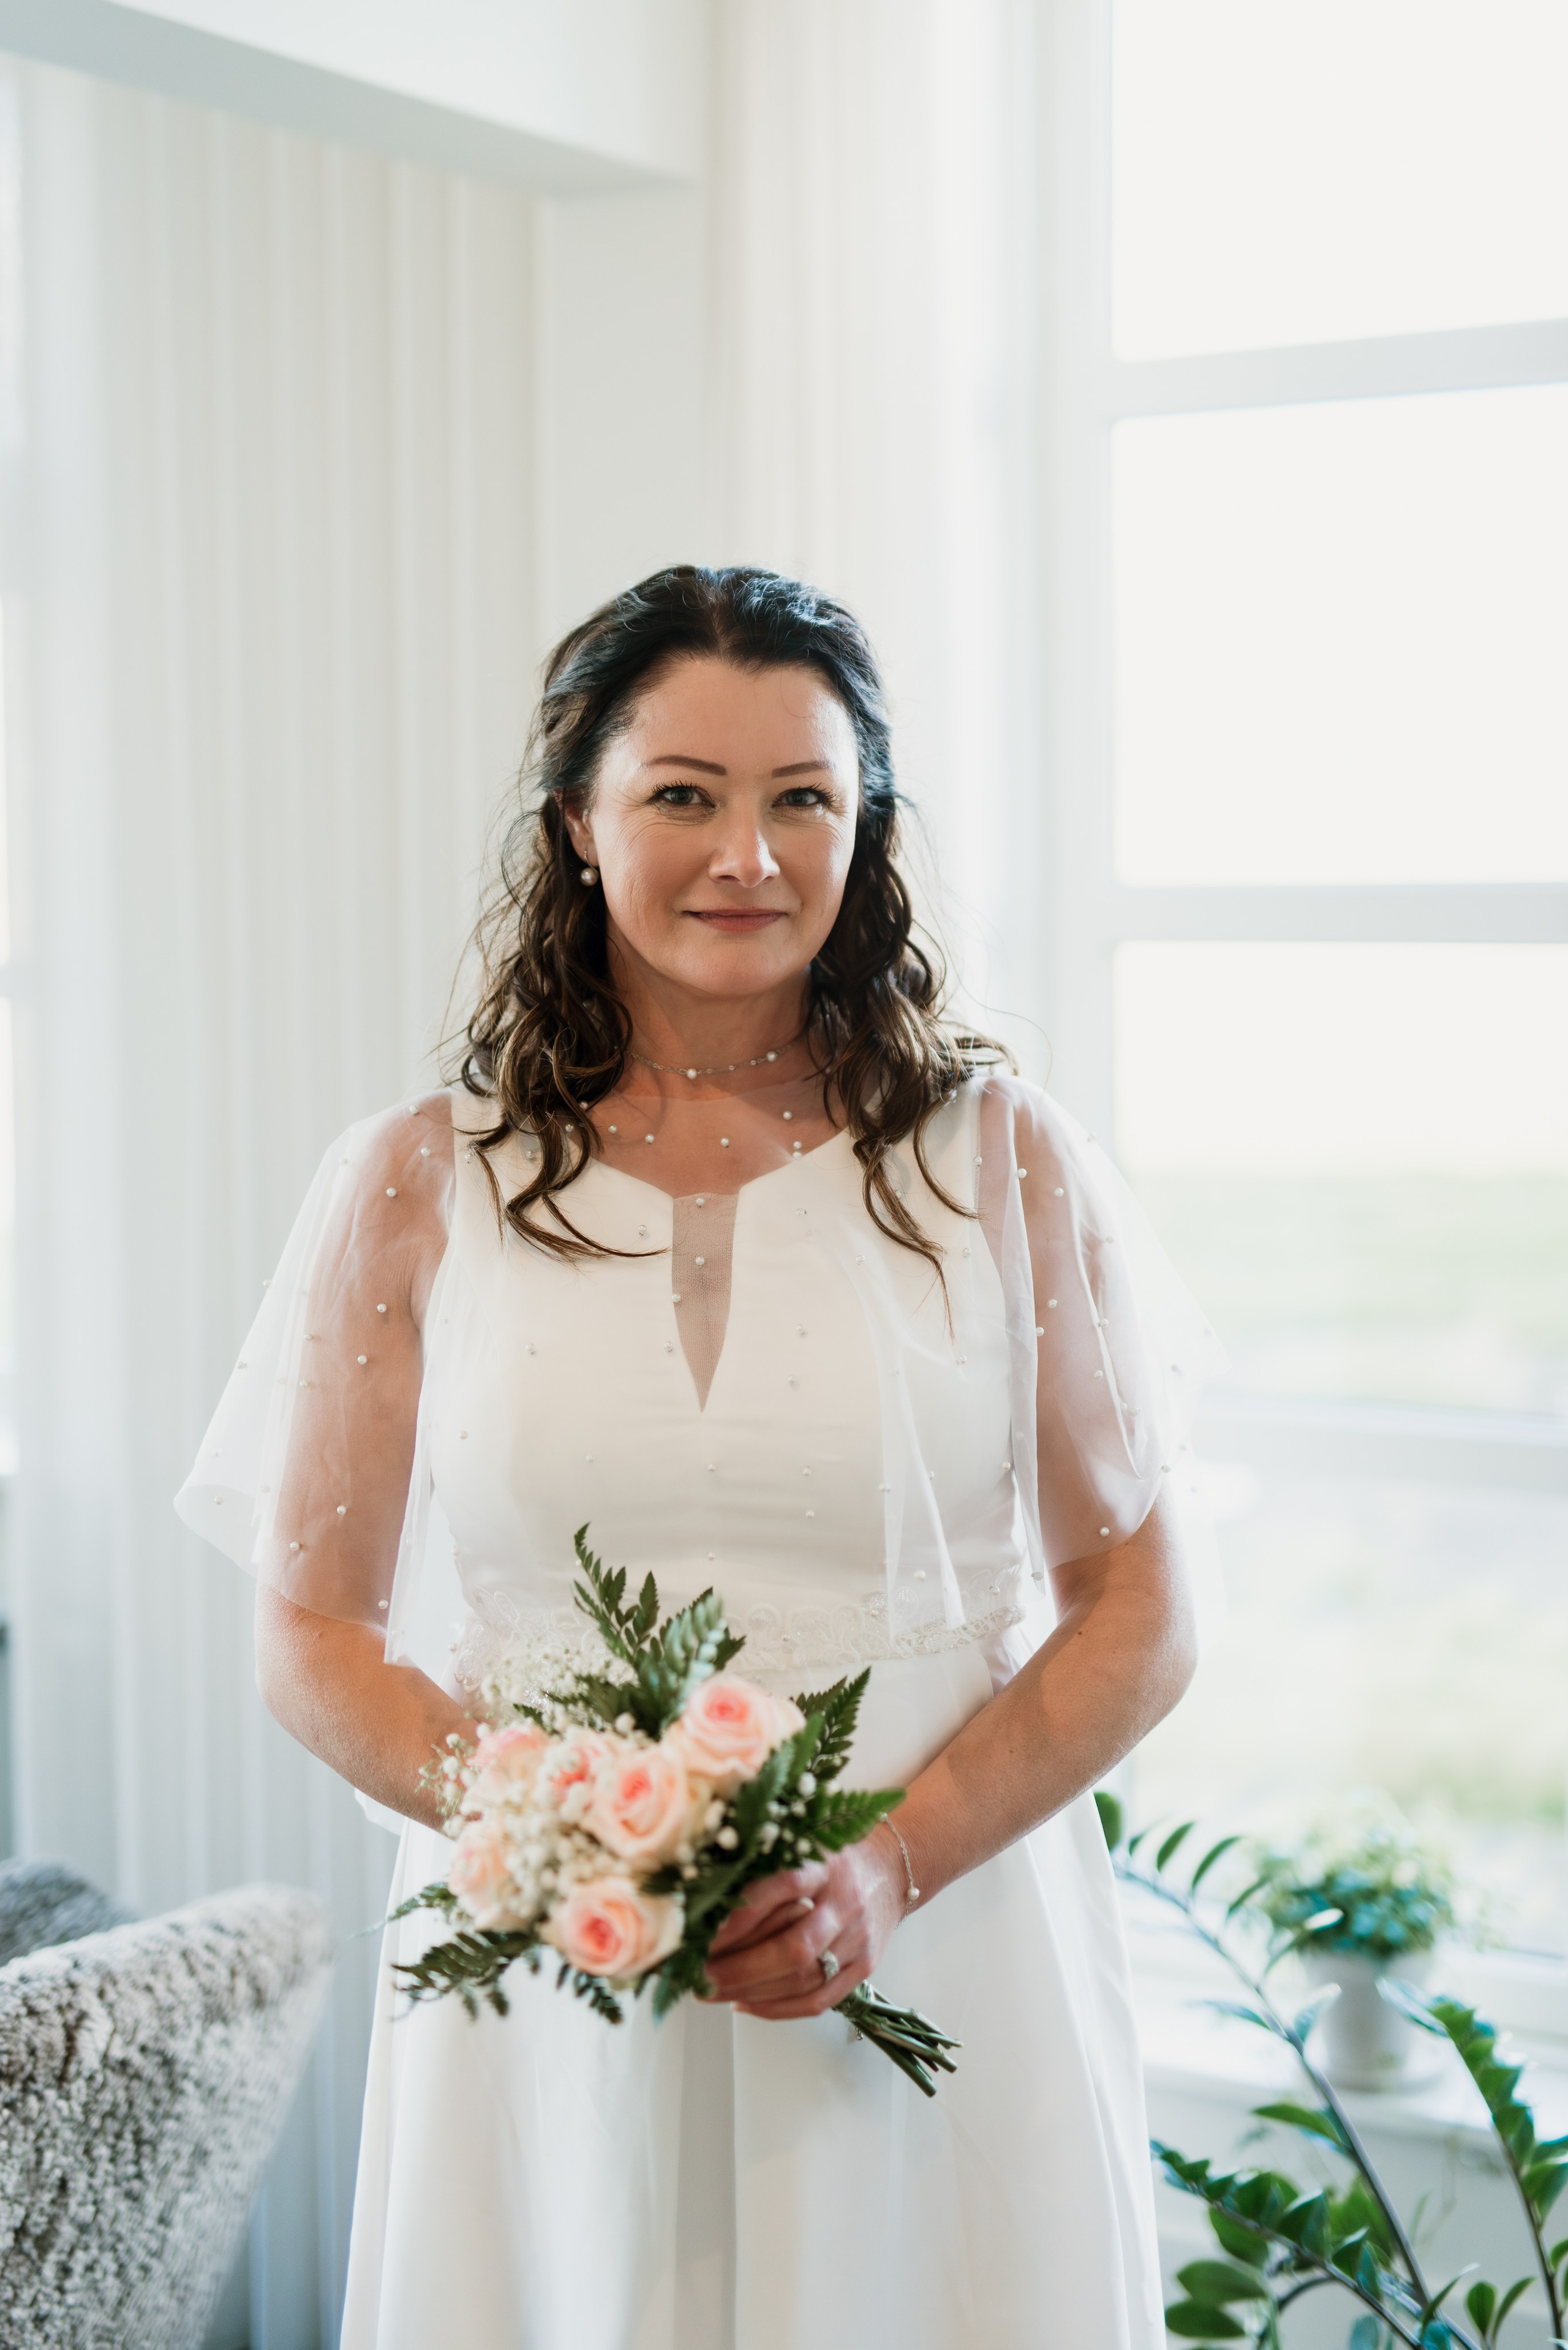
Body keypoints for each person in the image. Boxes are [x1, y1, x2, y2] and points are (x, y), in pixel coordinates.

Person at [178, 565, 1221, 2349]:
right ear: (579, 823)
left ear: (862, 828)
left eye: (801, 798)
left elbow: (1139, 1610)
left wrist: (892, 1864)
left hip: (943, 1958)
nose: (747, 854)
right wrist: (556, 1834)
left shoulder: (1000, 1161)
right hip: (554, 1997)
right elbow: (313, 1638)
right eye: (684, 796)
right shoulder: (423, 1179)